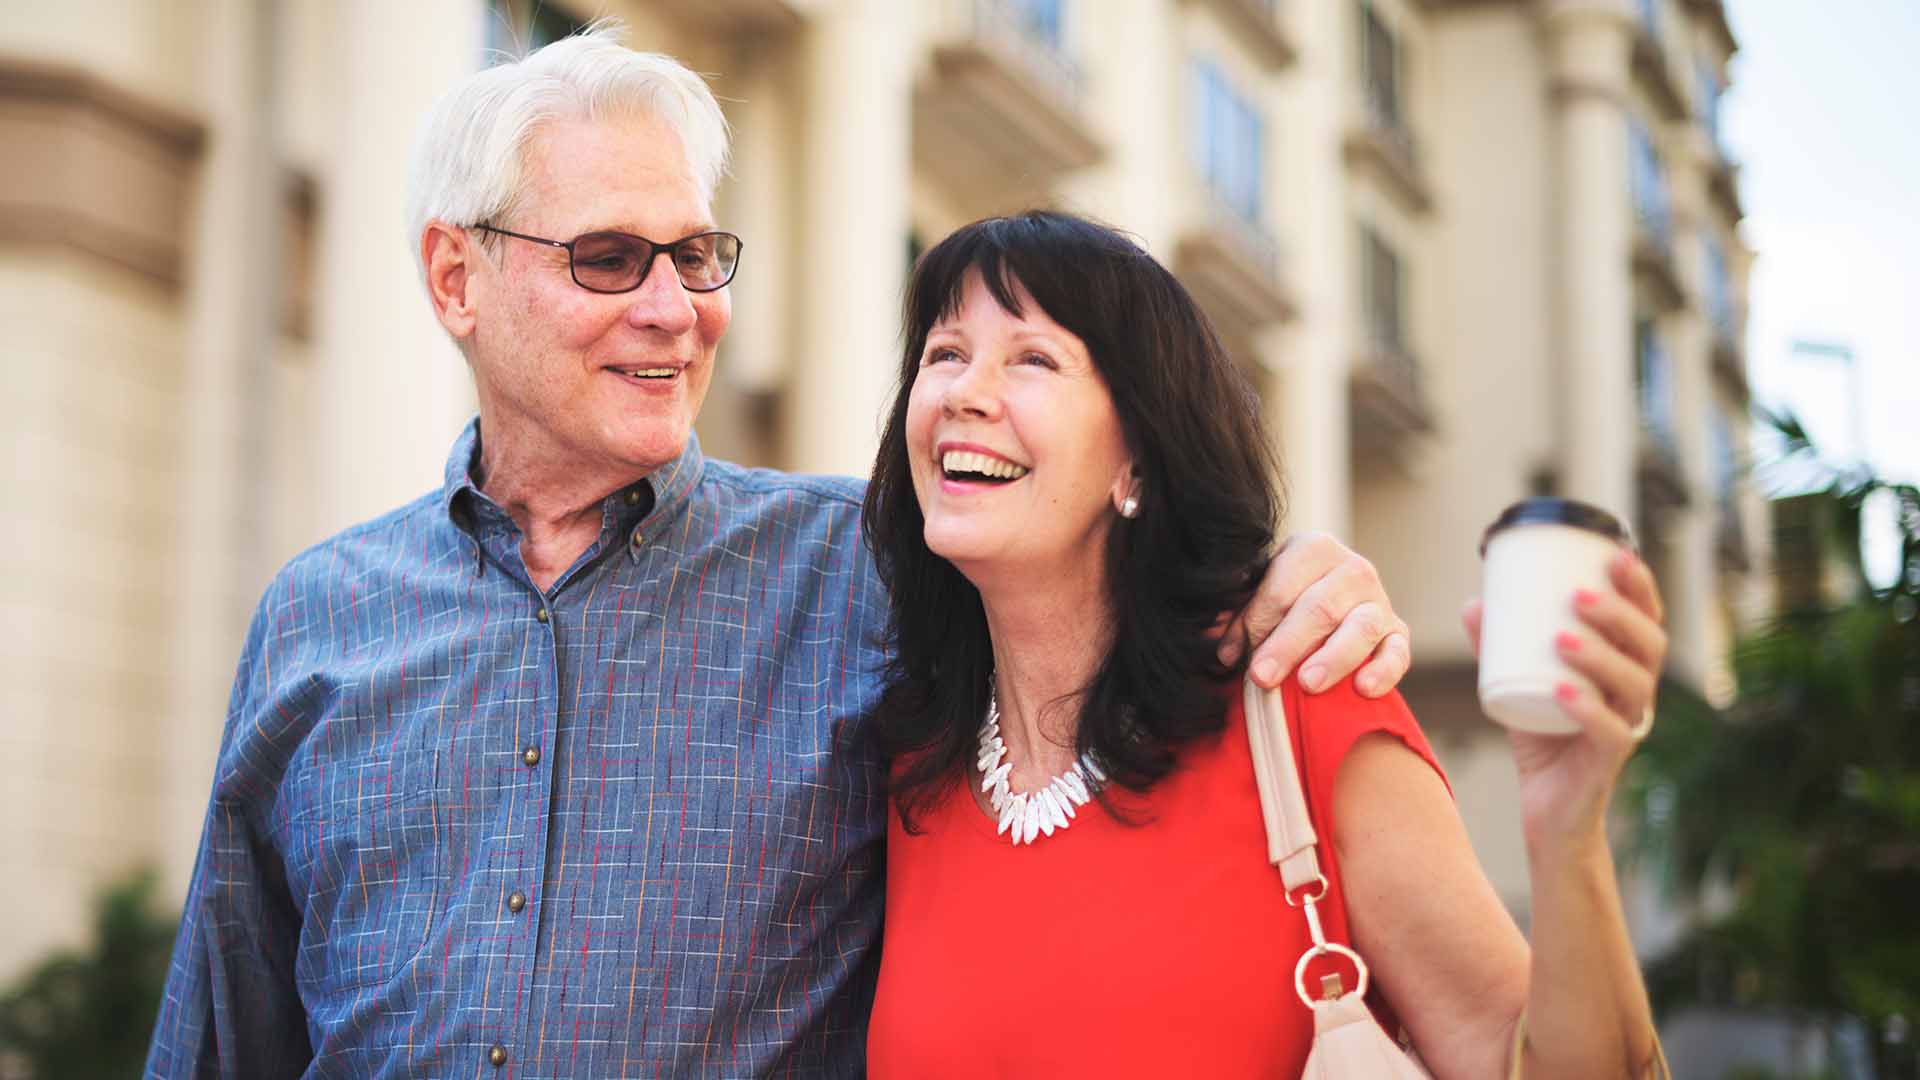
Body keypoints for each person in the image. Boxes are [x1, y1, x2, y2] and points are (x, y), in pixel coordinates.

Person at [144, 28, 1416, 1078]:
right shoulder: (317, 619)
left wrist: (1289, 578)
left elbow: (1103, 589)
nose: (673, 309)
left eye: (695, 256)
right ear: (454, 276)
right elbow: (222, 1037)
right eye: (607, 258)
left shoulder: (874, 574)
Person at [862, 212, 1671, 1077]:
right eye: (944, 354)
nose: (962, 393)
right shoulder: (908, 768)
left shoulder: (1301, 699)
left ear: (1137, 459)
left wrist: (1570, 835)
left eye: (1032, 359)